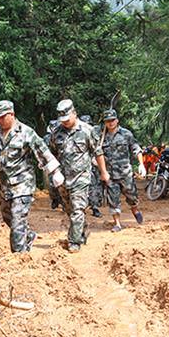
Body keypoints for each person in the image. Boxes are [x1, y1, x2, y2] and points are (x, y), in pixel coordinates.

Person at [0, 100, 63, 253]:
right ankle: (28, 236)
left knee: (17, 221)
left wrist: (55, 172)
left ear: (12, 114)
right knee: (8, 217)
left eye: (2, 117)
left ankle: (19, 256)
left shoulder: (26, 132)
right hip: (4, 186)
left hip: (23, 184)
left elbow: (42, 151)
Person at [48, 100, 109, 253]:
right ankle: (82, 229)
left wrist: (103, 172)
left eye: (67, 119)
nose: (65, 123)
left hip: (81, 177)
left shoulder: (87, 131)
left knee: (77, 209)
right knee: (69, 209)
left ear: (74, 113)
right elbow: (51, 154)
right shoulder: (56, 133)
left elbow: (98, 152)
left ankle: (74, 242)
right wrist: (53, 172)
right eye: (62, 120)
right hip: (62, 178)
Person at [97, 108, 146, 232]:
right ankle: (117, 224)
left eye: (112, 120)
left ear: (117, 120)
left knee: (132, 197)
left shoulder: (126, 134)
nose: (110, 123)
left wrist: (141, 164)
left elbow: (136, 148)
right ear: (104, 122)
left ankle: (135, 209)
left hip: (125, 173)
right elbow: (97, 153)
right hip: (110, 175)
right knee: (113, 199)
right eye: (107, 121)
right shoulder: (101, 137)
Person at [79, 114, 103, 218]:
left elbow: (97, 149)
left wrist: (95, 158)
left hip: (93, 165)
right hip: (80, 165)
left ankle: (95, 207)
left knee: (94, 186)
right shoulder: (77, 134)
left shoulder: (94, 132)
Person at [43, 119, 63, 210]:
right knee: (52, 184)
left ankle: (63, 202)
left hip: (63, 162)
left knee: (63, 183)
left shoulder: (62, 135)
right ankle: (55, 199)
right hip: (51, 163)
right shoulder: (47, 138)